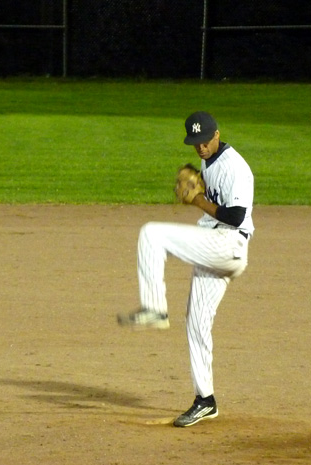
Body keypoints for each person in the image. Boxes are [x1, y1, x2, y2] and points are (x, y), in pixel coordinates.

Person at [117, 111, 255, 427]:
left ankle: (153, 308)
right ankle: (205, 400)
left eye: (205, 141)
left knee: (152, 232)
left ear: (217, 134)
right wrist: (202, 194)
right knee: (196, 322)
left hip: (228, 244)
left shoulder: (237, 168)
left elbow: (234, 217)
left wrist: (197, 201)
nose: (201, 148)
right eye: (196, 143)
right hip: (215, 247)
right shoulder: (208, 161)